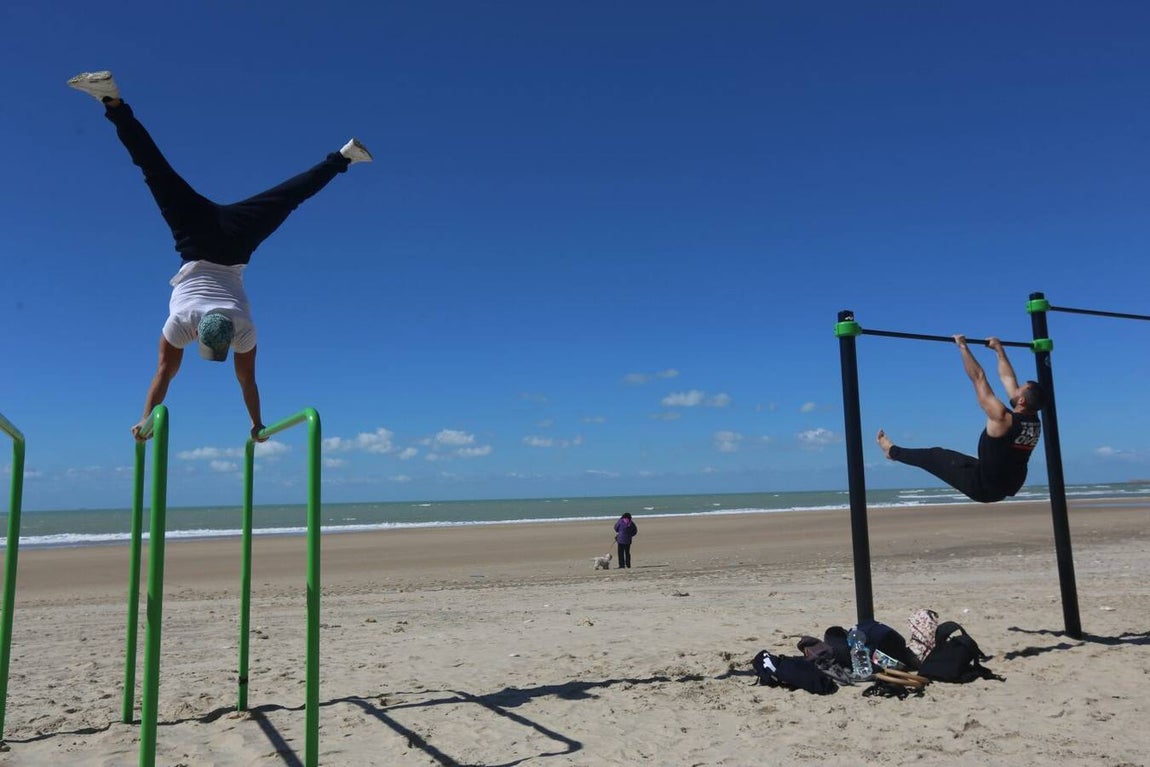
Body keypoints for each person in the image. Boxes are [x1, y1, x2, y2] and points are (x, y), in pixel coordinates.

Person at [68, 71, 372, 442]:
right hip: (198, 239)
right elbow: (168, 371)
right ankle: (111, 101)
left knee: (286, 198)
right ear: (202, 335)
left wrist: (255, 424)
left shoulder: (242, 327)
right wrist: (146, 418)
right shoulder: (183, 323)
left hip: (234, 245)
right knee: (155, 171)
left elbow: (241, 380)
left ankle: (344, 157)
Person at [876, 335, 1044, 503]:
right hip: (1004, 484)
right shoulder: (1034, 420)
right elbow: (1008, 379)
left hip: (982, 486)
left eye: (1019, 390)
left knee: (933, 456)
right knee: (953, 458)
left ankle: (891, 451)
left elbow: (978, 378)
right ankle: (893, 452)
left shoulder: (1001, 418)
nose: (1015, 389)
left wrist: (963, 347)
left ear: (1021, 401)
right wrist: (999, 351)